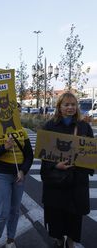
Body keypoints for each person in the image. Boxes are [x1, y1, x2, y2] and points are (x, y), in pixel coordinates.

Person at [40, 92, 94, 248]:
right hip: (56, 180)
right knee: (56, 214)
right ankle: (58, 239)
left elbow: (90, 153)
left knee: (74, 215)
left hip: (77, 180)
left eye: (73, 104)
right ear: (59, 107)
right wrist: (55, 165)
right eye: (66, 104)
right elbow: (44, 155)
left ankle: (71, 240)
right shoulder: (50, 126)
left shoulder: (84, 127)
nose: (70, 107)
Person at [0, 105, 33, 248]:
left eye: (17, 113)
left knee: (15, 209)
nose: (14, 116)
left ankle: (10, 239)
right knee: (2, 211)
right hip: (0, 174)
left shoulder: (22, 132)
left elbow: (29, 156)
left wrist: (23, 171)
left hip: (18, 175)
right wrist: (4, 147)